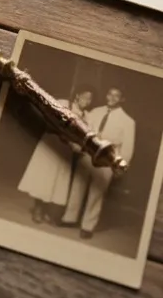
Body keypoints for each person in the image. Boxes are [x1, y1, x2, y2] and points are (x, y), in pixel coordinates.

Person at [61, 86, 136, 239]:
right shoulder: (96, 111)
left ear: (122, 99)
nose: (112, 98)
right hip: (88, 153)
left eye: (116, 96)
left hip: (107, 160)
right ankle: (70, 218)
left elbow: (128, 147)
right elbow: (84, 129)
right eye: (110, 94)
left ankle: (87, 226)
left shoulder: (128, 121)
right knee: (78, 186)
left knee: (97, 192)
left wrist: (120, 166)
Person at [18, 86, 94, 224]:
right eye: (85, 97)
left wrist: (79, 145)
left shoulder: (87, 116)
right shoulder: (62, 103)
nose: (87, 101)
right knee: (44, 177)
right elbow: (49, 121)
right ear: (77, 95)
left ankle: (45, 209)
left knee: (56, 181)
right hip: (52, 143)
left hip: (66, 150)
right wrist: (66, 138)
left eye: (90, 99)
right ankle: (38, 208)